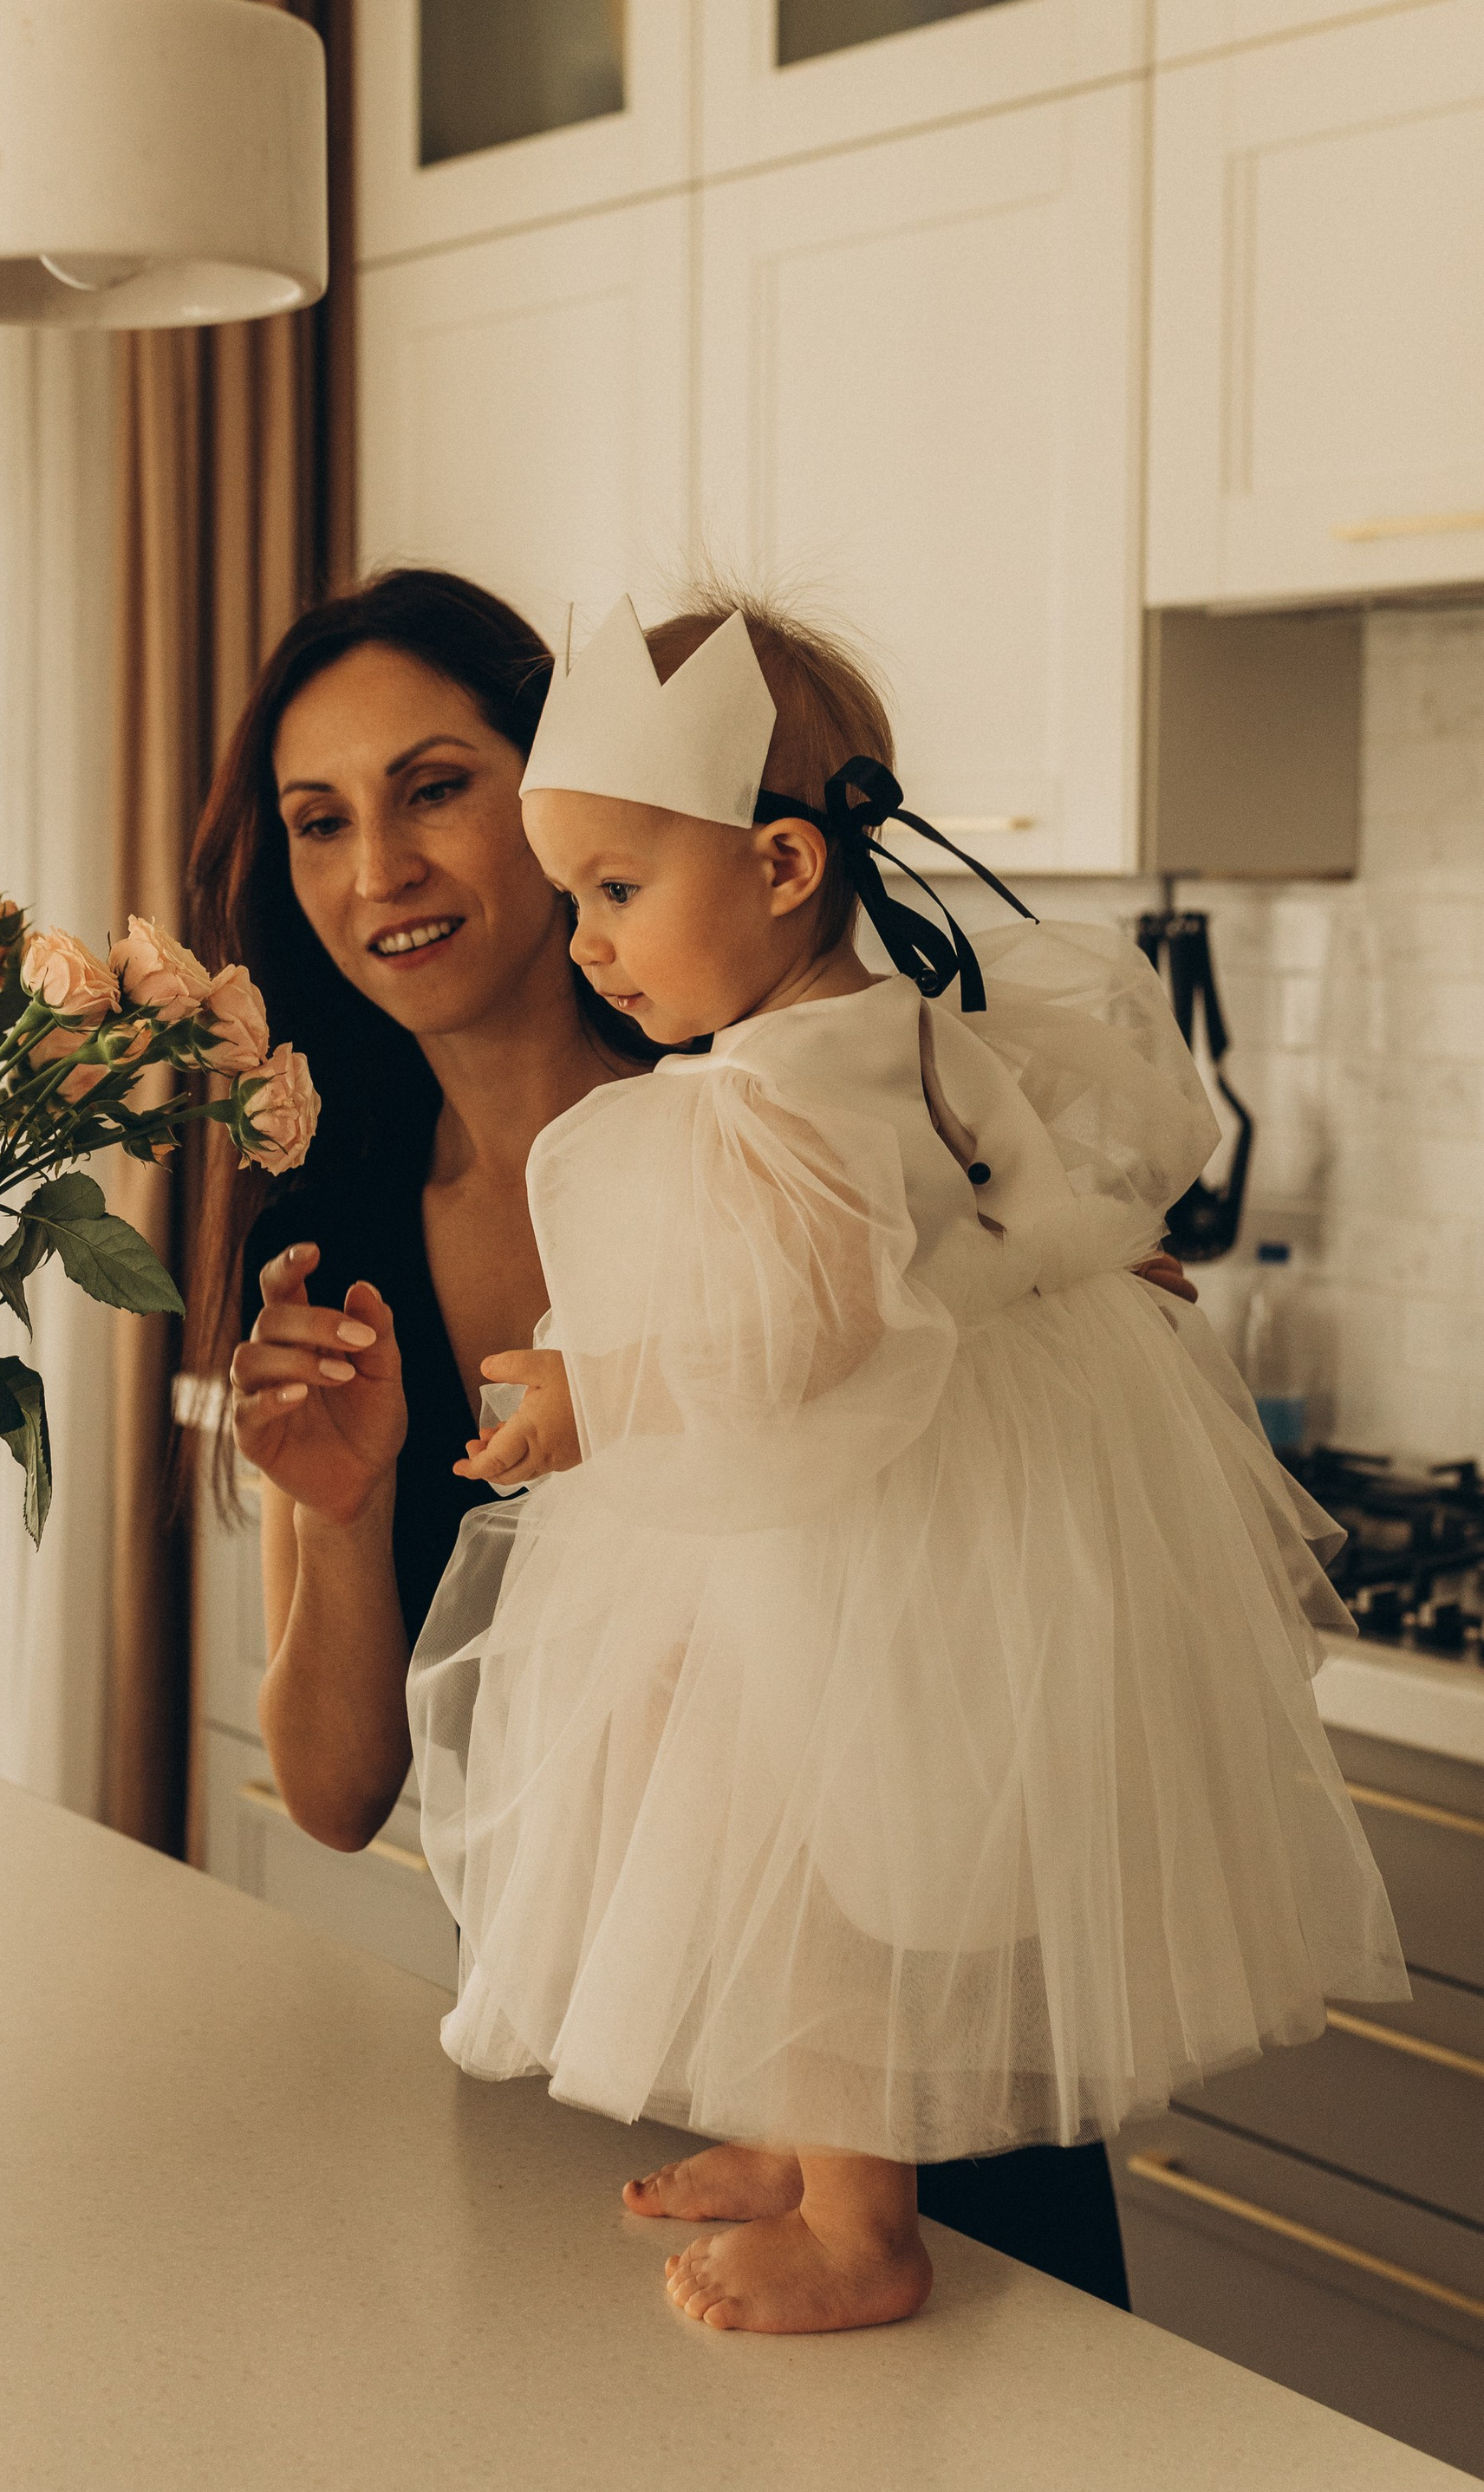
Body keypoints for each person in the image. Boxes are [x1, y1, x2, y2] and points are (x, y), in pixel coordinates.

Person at [189, 567, 1196, 2312]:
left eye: (437, 787)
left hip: (935, 2091)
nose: (377, 872)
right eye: (315, 821)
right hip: (611, 2113)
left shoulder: (798, 1118)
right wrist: (342, 1514)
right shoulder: (332, 1221)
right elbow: (344, 1798)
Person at [403, 588, 1407, 2335]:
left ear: (785, 870)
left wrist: (590, 1396)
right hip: (859, 1508)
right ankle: (804, 2152)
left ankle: (860, 2225)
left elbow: (804, 1337)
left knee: (818, 1854)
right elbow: (1008, 1213)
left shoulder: (789, 1085)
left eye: (618, 894)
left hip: (848, 1512)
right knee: (774, 1826)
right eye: (573, 901)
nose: (582, 946)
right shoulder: (872, 1027)